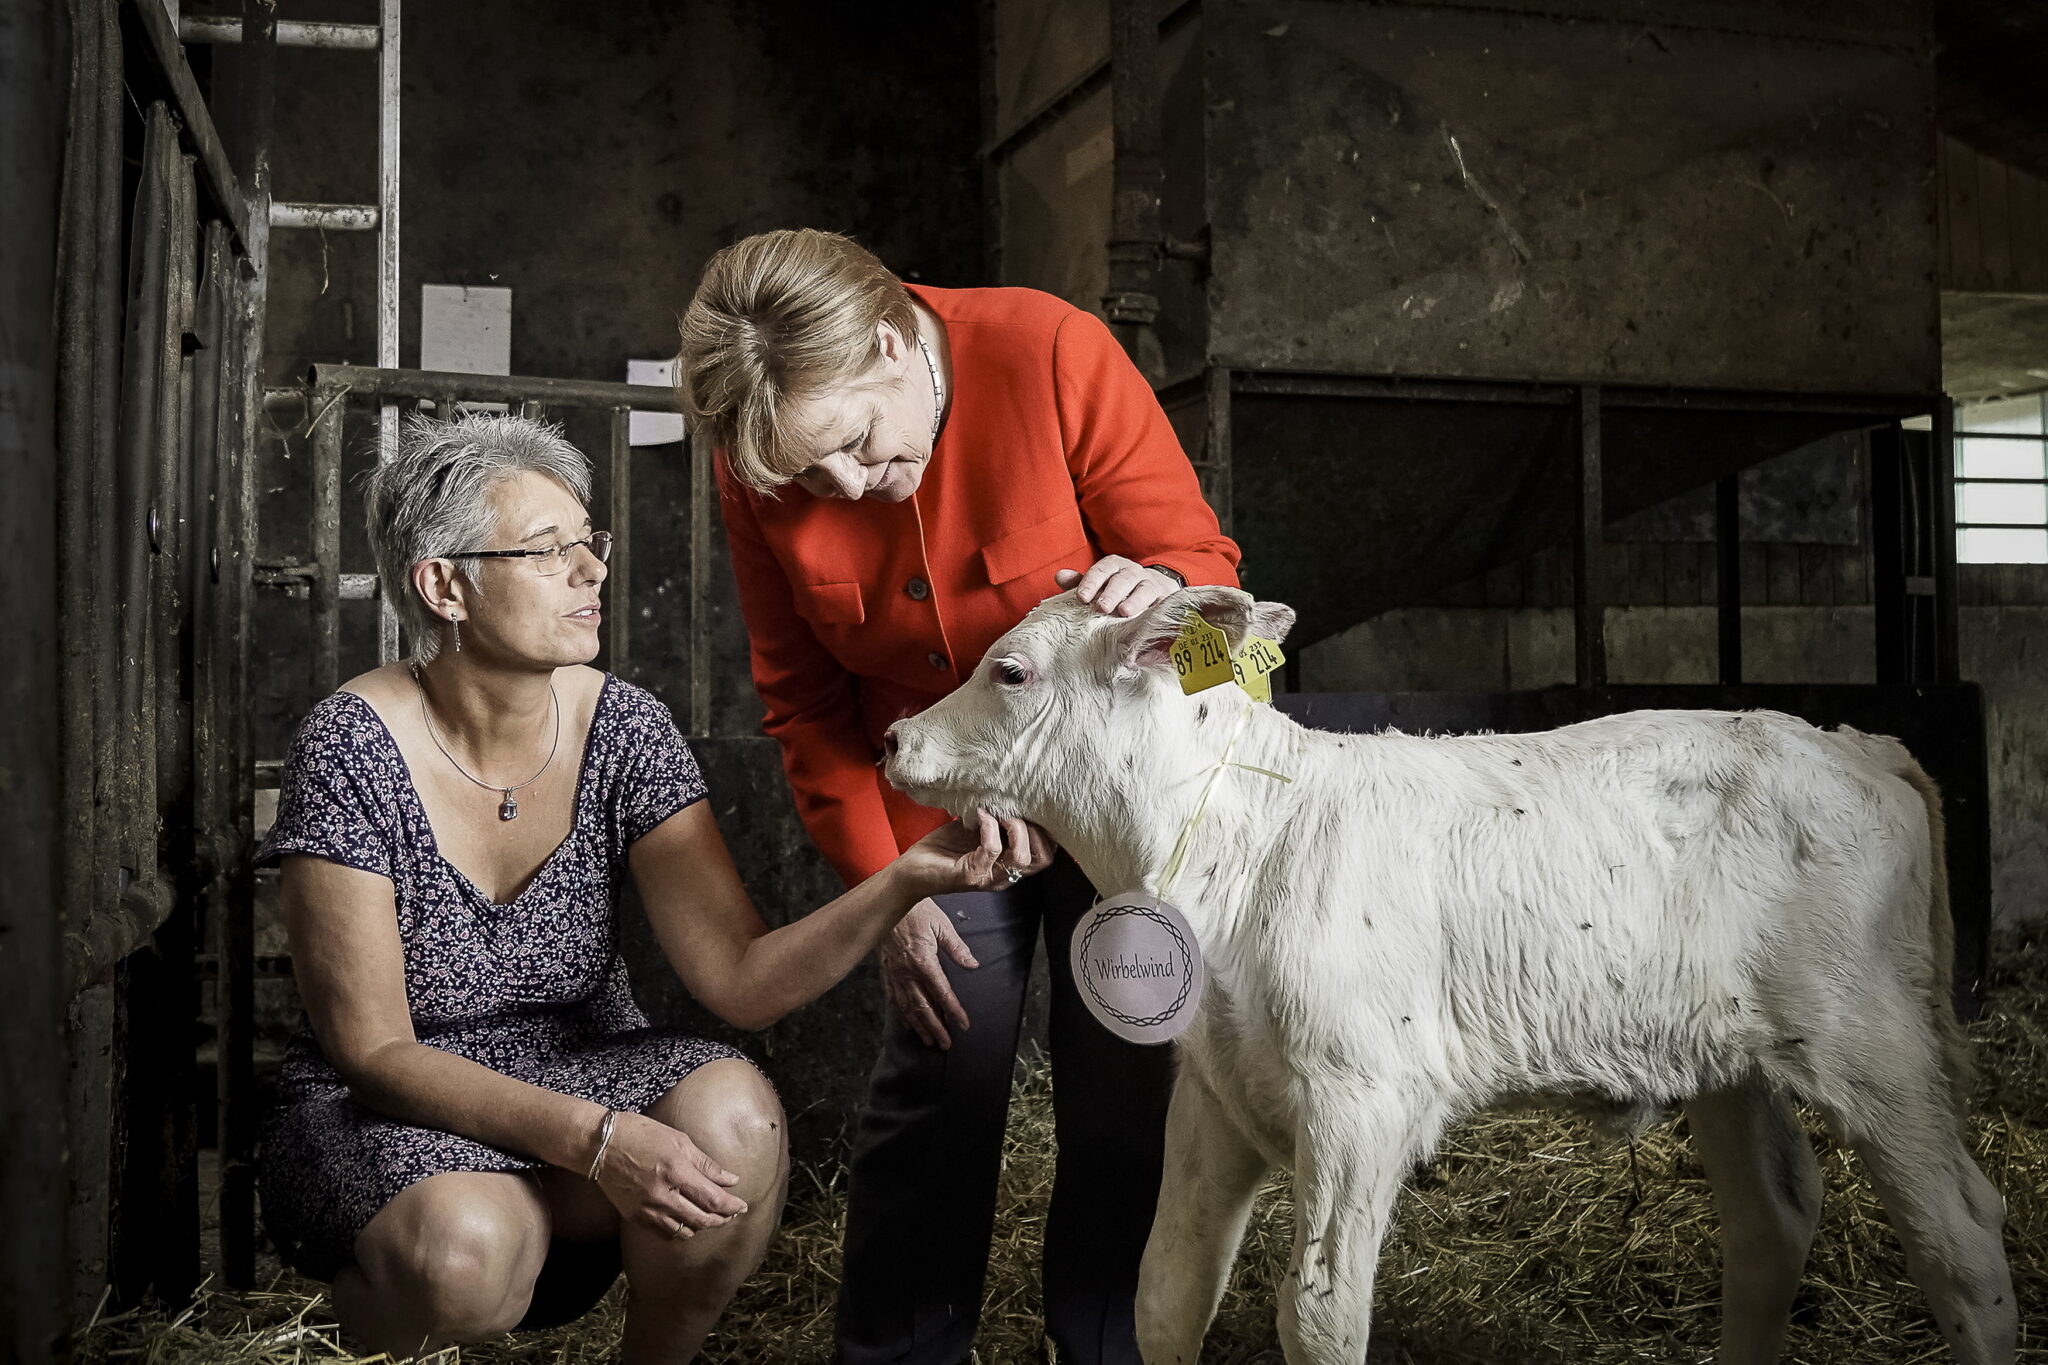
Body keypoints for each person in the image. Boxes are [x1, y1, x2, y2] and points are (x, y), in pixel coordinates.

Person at [256, 413, 1049, 1363]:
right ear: (445, 585)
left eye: (588, 542)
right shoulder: (350, 743)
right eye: (548, 552)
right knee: (465, 1253)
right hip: (394, 1102)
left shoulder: (624, 724)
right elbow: (374, 1046)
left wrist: (906, 880)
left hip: (578, 1059)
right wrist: (598, 1141)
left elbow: (741, 978)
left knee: (736, 1124)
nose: (592, 571)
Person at [676, 228, 1242, 1365]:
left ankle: (1107, 1349)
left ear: (890, 346)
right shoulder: (760, 461)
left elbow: (1234, 644)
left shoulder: (1049, 352)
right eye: (806, 477)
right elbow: (803, 707)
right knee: (942, 1079)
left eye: (854, 444)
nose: (841, 486)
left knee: (1126, 1091)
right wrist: (889, 890)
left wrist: (1173, 591)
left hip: (1116, 813)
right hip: (934, 819)